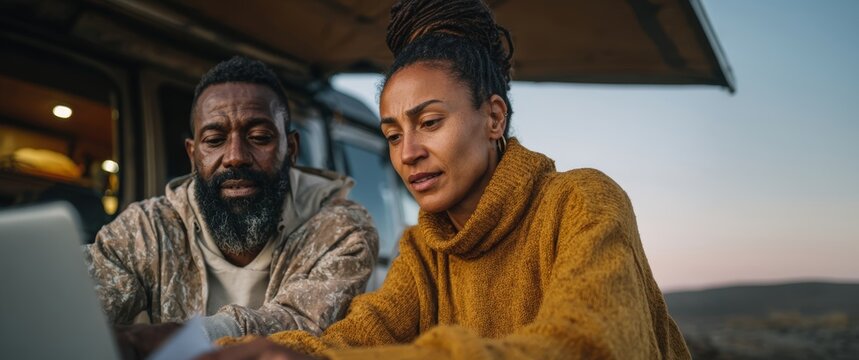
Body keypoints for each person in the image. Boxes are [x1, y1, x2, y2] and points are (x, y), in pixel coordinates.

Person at [204, 1, 690, 359]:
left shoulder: (582, 201)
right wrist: (209, 347)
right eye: (393, 135)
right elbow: (350, 338)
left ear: (494, 117)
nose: (409, 153)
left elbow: (589, 345)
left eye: (430, 122)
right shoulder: (424, 252)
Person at [84, 56, 379, 356]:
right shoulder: (147, 229)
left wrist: (174, 337)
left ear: (291, 149)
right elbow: (78, 296)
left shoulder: (340, 230)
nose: (235, 156)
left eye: (259, 137)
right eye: (214, 140)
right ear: (193, 154)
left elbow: (302, 324)